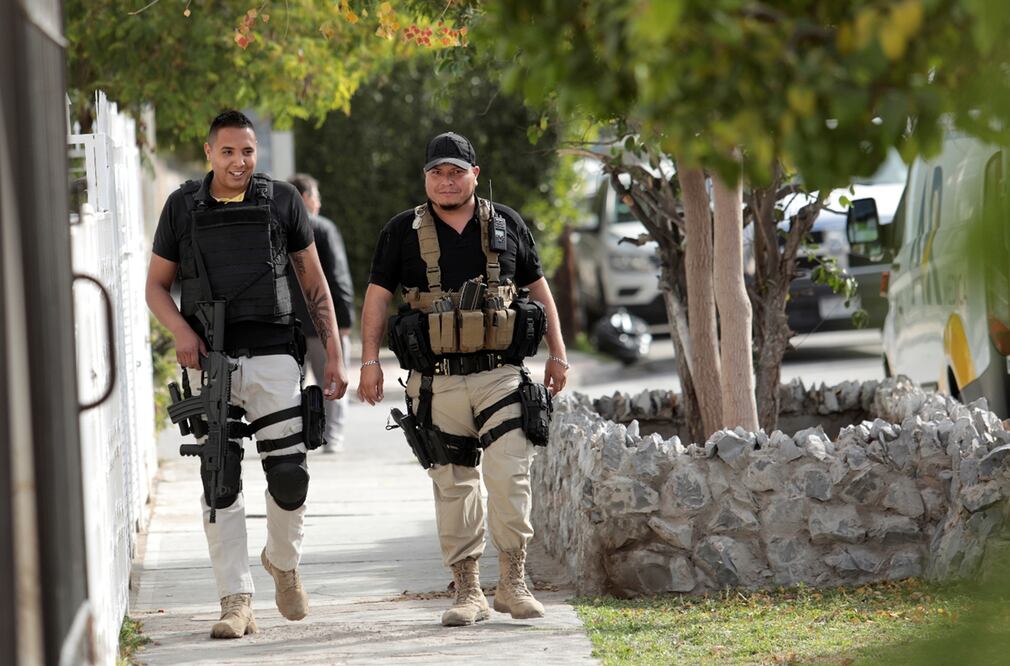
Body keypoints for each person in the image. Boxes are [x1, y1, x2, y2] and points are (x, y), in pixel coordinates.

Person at [145, 110, 348, 639]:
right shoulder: (181, 206)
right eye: (229, 151)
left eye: (248, 151)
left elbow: (315, 286)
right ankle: (235, 601)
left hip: (275, 354)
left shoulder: (282, 201)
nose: (239, 161)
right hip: (207, 361)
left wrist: (336, 356)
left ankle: (283, 561)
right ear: (209, 152)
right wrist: (182, 334)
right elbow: (156, 287)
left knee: (289, 474)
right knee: (220, 479)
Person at [357, 131, 569, 627]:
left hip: (502, 376)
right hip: (437, 382)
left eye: (456, 172)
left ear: (475, 174)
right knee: (454, 485)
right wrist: (370, 363)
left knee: (510, 475)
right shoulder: (400, 232)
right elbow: (376, 297)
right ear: (425, 178)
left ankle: (513, 581)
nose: (447, 181)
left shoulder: (508, 223)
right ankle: (468, 589)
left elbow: (539, 289)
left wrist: (558, 354)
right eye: (437, 173)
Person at [287, 173, 355, 453]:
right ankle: (331, 437)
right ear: (304, 198)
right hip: (323, 323)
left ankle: (292, 437)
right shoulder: (323, 229)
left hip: (289, 325)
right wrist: (345, 318)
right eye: (316, 196)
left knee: (290, 386)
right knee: (333, 381)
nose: (319, 202)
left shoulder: (276, 230)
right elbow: (338, 275)